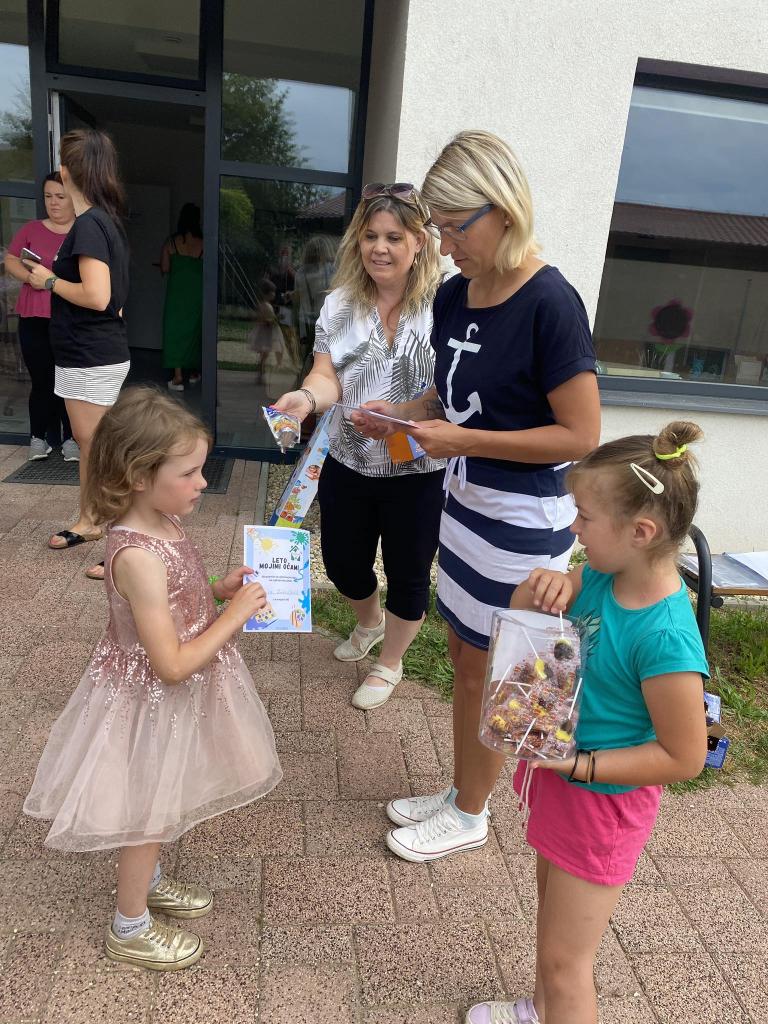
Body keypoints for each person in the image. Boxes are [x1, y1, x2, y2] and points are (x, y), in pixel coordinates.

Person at [352, 131, 601, 856]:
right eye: (437, 228)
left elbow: (580, 434)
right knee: (465, 660)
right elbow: (452, 394)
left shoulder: (551, 303)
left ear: (503, 210)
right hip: (464, 510)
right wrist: (404, 414)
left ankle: (470, 815)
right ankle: (465, 791)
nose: (443, 245)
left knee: (507, 675)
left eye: (455, 227)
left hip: (523, 523)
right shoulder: (456, 294)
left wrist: (463, 441)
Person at [23, 386, 282, 971]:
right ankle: (130, 926)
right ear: (139, 476)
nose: (202, 483)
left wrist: (217, 591)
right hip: (151, 695)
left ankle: (151, 880)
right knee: (146, 812)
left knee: (162, 794)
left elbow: (174, 598)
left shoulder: (163, 521)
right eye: (189, 473)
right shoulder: (137, 555)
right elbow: (170, 664)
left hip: (168, 694)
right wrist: (234, 617)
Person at [465, 421, 708, 1024]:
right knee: (551, 923)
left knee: (566, 964)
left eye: (584, 517)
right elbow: (529, 616)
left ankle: (553, 1005)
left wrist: (579, 765)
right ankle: (538, 1012)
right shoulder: (602, 574)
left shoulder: (666, 639)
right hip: (566, 780)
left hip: (603, 807)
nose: (574, 529)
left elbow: (685, 757)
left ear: (641, 532)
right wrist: (538, 588)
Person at [274, 183, 444, 710]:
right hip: (348, 458)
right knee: (343, 562)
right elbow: (326, 375)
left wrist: (404, 417)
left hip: (419, 467)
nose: (380, 248)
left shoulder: (447, 304)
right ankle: (369, 624)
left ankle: (390, 662)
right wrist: (306, 398)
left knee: (408, 571)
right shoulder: (340, 304)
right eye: (370, 236)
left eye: (394, 237)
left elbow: (455, 389)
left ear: (418, 242)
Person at [24, 129, 130, 560]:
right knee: (93, 446)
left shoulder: (89, 225)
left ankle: (125, 541)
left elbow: (98, 296)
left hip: (90, 356)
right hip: (90, 354)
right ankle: (90, 521)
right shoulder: (105, 221)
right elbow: (115, 300)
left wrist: (48, 280)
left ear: (66, 173)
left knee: (100, 450)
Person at [4, 172, 78, 461]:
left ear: (73, 198)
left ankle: (71, 438)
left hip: (70, 318)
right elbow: (11, 260)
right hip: (34, 316)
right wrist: (29, 277)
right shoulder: (31, 229)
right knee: (41, 379)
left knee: (68, 379)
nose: (53, 202)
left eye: (60, 196)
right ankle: (38, 438)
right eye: (48, 196)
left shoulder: (83, 232)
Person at [161, 202, 203, 391]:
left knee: (174, 332)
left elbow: (165, 268)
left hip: (176, 296)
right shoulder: (204, 244)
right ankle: (193, 372)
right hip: (196, 295)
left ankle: (177, 376)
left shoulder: (171, 242)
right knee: (194, 332)